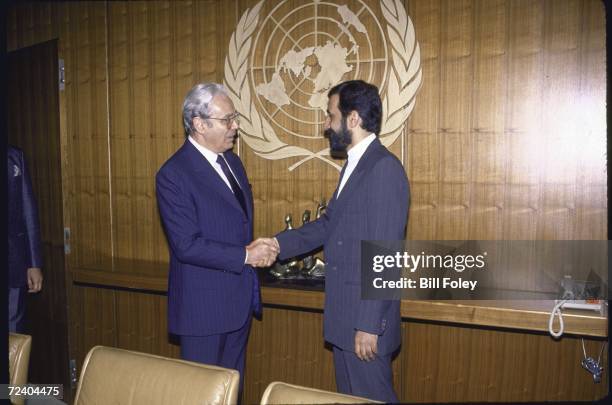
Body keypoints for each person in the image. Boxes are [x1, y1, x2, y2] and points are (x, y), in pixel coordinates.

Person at [252, 80, 409, 402]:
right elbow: (328, 226)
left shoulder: (383, 169)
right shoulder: (356, 166)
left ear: (353, 119)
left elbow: (386, 253)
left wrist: (369, 325)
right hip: (345, 318)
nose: (325, 125)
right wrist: (278, 244)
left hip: (363, 324)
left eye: (330, 115)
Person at [156, 83, 278, 393]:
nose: (235, 126)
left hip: (238, 303)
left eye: (234, 118)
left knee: (232, 391)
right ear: (199, 124)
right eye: (228, 119)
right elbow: (186, 245)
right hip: (203, 310)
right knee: (201, 394)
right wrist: (246, 255)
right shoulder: (174, 174)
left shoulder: (233, 162)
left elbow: (237, 224)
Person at [8, 145, 44, 333]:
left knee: (14, 331)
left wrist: (34, 263)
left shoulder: (14, 156)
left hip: (14, 265)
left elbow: (28, 209)